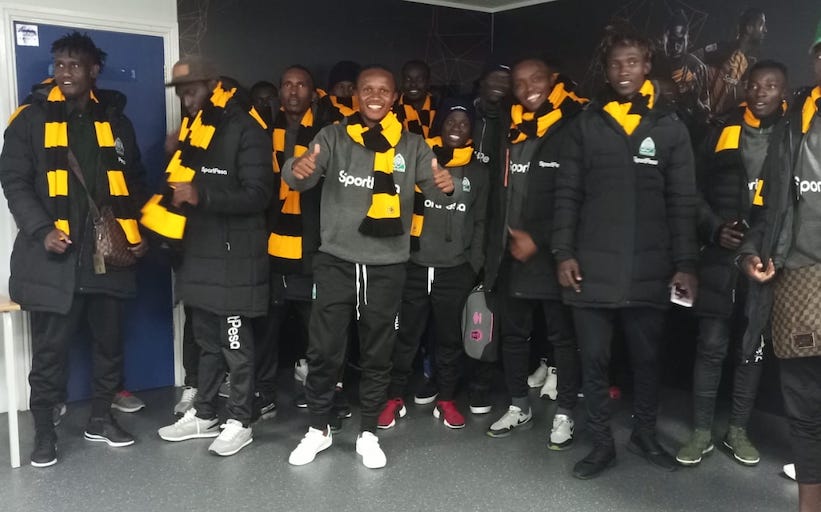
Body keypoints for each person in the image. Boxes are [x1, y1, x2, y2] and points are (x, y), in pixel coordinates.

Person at [283, 65, 456, 469]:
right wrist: (298, 169)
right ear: (357, 95)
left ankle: (367, 434)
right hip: (336, 260)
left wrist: (443, 186)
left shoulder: (414, 146)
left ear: (394, 97)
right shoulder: (333, 136)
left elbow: (435, 190)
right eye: (367, 89)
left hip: (387, 264)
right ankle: (318, 429)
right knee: (325, 351)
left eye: (383, 90)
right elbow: (299, 176)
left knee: (379, 353)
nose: (375, 96)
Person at [553, 24, 698, 479]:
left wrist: (687, 263)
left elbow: (683, 201)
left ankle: (645, 433)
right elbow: (567, 194)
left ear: (647, 65)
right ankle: (600, 444)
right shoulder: (586, 124)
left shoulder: (671, 129)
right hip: (590, 268)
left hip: (651, 269)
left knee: (647, 361)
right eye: (616, 63)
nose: (623, 70)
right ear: (607, 68)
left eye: (632, 61)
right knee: (592, 361)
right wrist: (562, 252)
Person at [0, 31, 149, 467]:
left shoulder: (116, 121)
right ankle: (44, 434)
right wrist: (41, 228)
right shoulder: (30, 118)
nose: (64, 73)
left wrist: (139, 229)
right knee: (50, 355)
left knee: (110, 346)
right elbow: (14, 182)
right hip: (55, 258)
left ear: (93, 71)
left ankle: (101, 420)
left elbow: (134, 178)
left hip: (108, 257)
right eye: (58, 65)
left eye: (74, 65)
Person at [147, 56, 272, 457]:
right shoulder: (194, 128)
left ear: (215, 84)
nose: (186, 99)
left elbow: (259, 195)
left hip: (236, 255)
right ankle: (203, 414)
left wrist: (204, 195)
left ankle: (240, 420)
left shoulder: (247, 128)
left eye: (193, 90)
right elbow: (181, 186)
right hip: (199, 250)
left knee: (235, 345)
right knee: (205, 342)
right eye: (181, 92)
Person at [676, 60, 788, 468]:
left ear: (783, 92)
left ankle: (737, 430)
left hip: (765, 262)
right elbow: (693, 190)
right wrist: (713, 229)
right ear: (745, 87)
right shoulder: (721, 129)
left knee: (751, 350)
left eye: (771, 86)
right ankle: (702, 432)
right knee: (710, 346)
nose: (761, 93)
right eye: (755, 85)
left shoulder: (792, 136)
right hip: (720, 258)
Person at [738, 23, 821, 512]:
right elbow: (769, 209)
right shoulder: (794, 123)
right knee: (805, 410)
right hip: (796, 279)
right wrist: (751, 253)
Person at [483, 57, 586, 449]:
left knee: (562, 338)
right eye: (520, 83)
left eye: (537, 79)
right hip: (509, 254)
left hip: (553, 253)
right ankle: (517, 405)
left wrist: (539, 239)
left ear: (552, 79)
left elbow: (574, 196)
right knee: (513, 336)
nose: (528, 88)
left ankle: (564, 414)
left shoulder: (571, 124)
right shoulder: (507, 125)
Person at [378, 99, 488, 430]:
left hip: (454, 268)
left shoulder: (479, 171)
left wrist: (473, 264)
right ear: (439, 125)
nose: (456, 127)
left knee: (449, 339)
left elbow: (482, 222)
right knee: (405, 336)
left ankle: (447, 398)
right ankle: (394, 397)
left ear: (472, 130)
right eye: (450, 121)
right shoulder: (420, 159)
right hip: (413, 264)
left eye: (463, 123)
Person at [252, 65, 330, 420]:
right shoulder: (261, 128)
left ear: (313, 93)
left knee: (318, 331)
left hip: (313, 247)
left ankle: (319, 397)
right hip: (270, 246)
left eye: (302, 85)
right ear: (280, 92)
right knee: (266, 330)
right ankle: (264, 393)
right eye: (287, 84)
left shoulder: (329, 132)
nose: (294, 91)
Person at [696, 8, 767, 115]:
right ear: (749, 28)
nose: (765, 30)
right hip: (696, 113)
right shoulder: (724, 49)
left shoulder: (749, 63)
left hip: (713, 121)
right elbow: (692, 58)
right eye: (761, 24)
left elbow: (741, 95)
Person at [395, 60, 437, 137]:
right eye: (408, 79)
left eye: (419, 79)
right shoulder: (392, 109)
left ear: (428, 82)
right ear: (402, 82)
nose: (413, 84)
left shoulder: (440, 108)